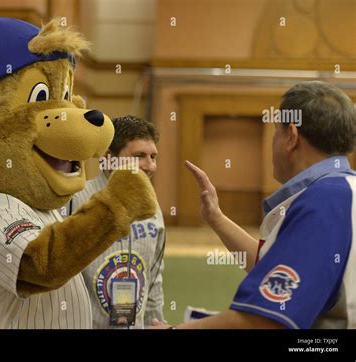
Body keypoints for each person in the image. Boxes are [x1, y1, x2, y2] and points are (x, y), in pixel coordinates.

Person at [152, 80, 356, 329]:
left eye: (276, 132)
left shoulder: (324, 201)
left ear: (291, 136)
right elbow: (278, 269)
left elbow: (265, 320)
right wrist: (216, 217)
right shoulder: (341, 194)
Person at [69, 115, 165, 329]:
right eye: (139, 155)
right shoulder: (76, 201)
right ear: (108, 158)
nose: (150, 166)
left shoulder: (153, 208)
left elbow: (154, 277)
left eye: (153, 157)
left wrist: (156, 321)